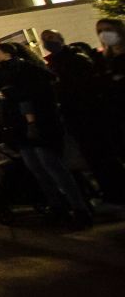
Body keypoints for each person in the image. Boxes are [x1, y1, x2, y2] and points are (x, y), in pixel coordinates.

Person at [0, 43, 93, 228]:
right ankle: (60, 207)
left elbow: (27, 98)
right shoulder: (23, 73)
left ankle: (77, 208)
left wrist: (28, 120)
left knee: (51, 168)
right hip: (24, 127)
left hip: (36, 126)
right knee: (41, 169)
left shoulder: (25, 72)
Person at [42, 29, 125, 202]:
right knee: (92, 157)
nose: (48, 41)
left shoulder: (75, 59)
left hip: (89, 113)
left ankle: (117, 191)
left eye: (50, 37)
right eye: (45, 39)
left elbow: (87, 86)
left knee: (104, 155)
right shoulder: (53, 63)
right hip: (75, 116)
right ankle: (109, 191)